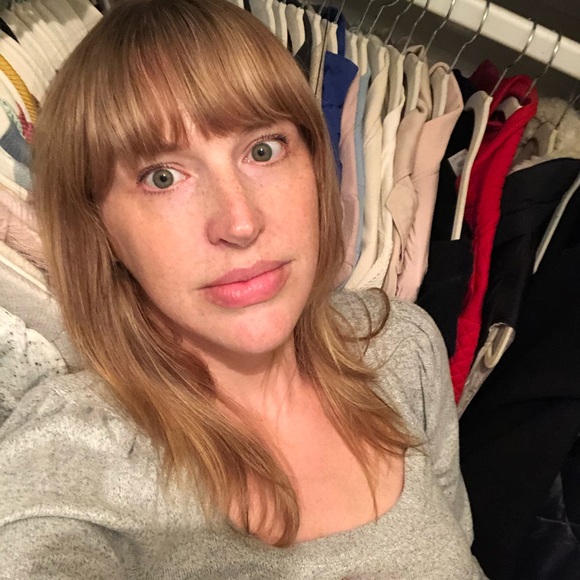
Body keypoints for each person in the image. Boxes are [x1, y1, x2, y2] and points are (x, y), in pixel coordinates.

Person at [0, 0, 485, 577]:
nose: (240, 222)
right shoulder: (69, 454)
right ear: (99, 227)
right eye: (162, 177)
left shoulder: (399, 345)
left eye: (263, 150)